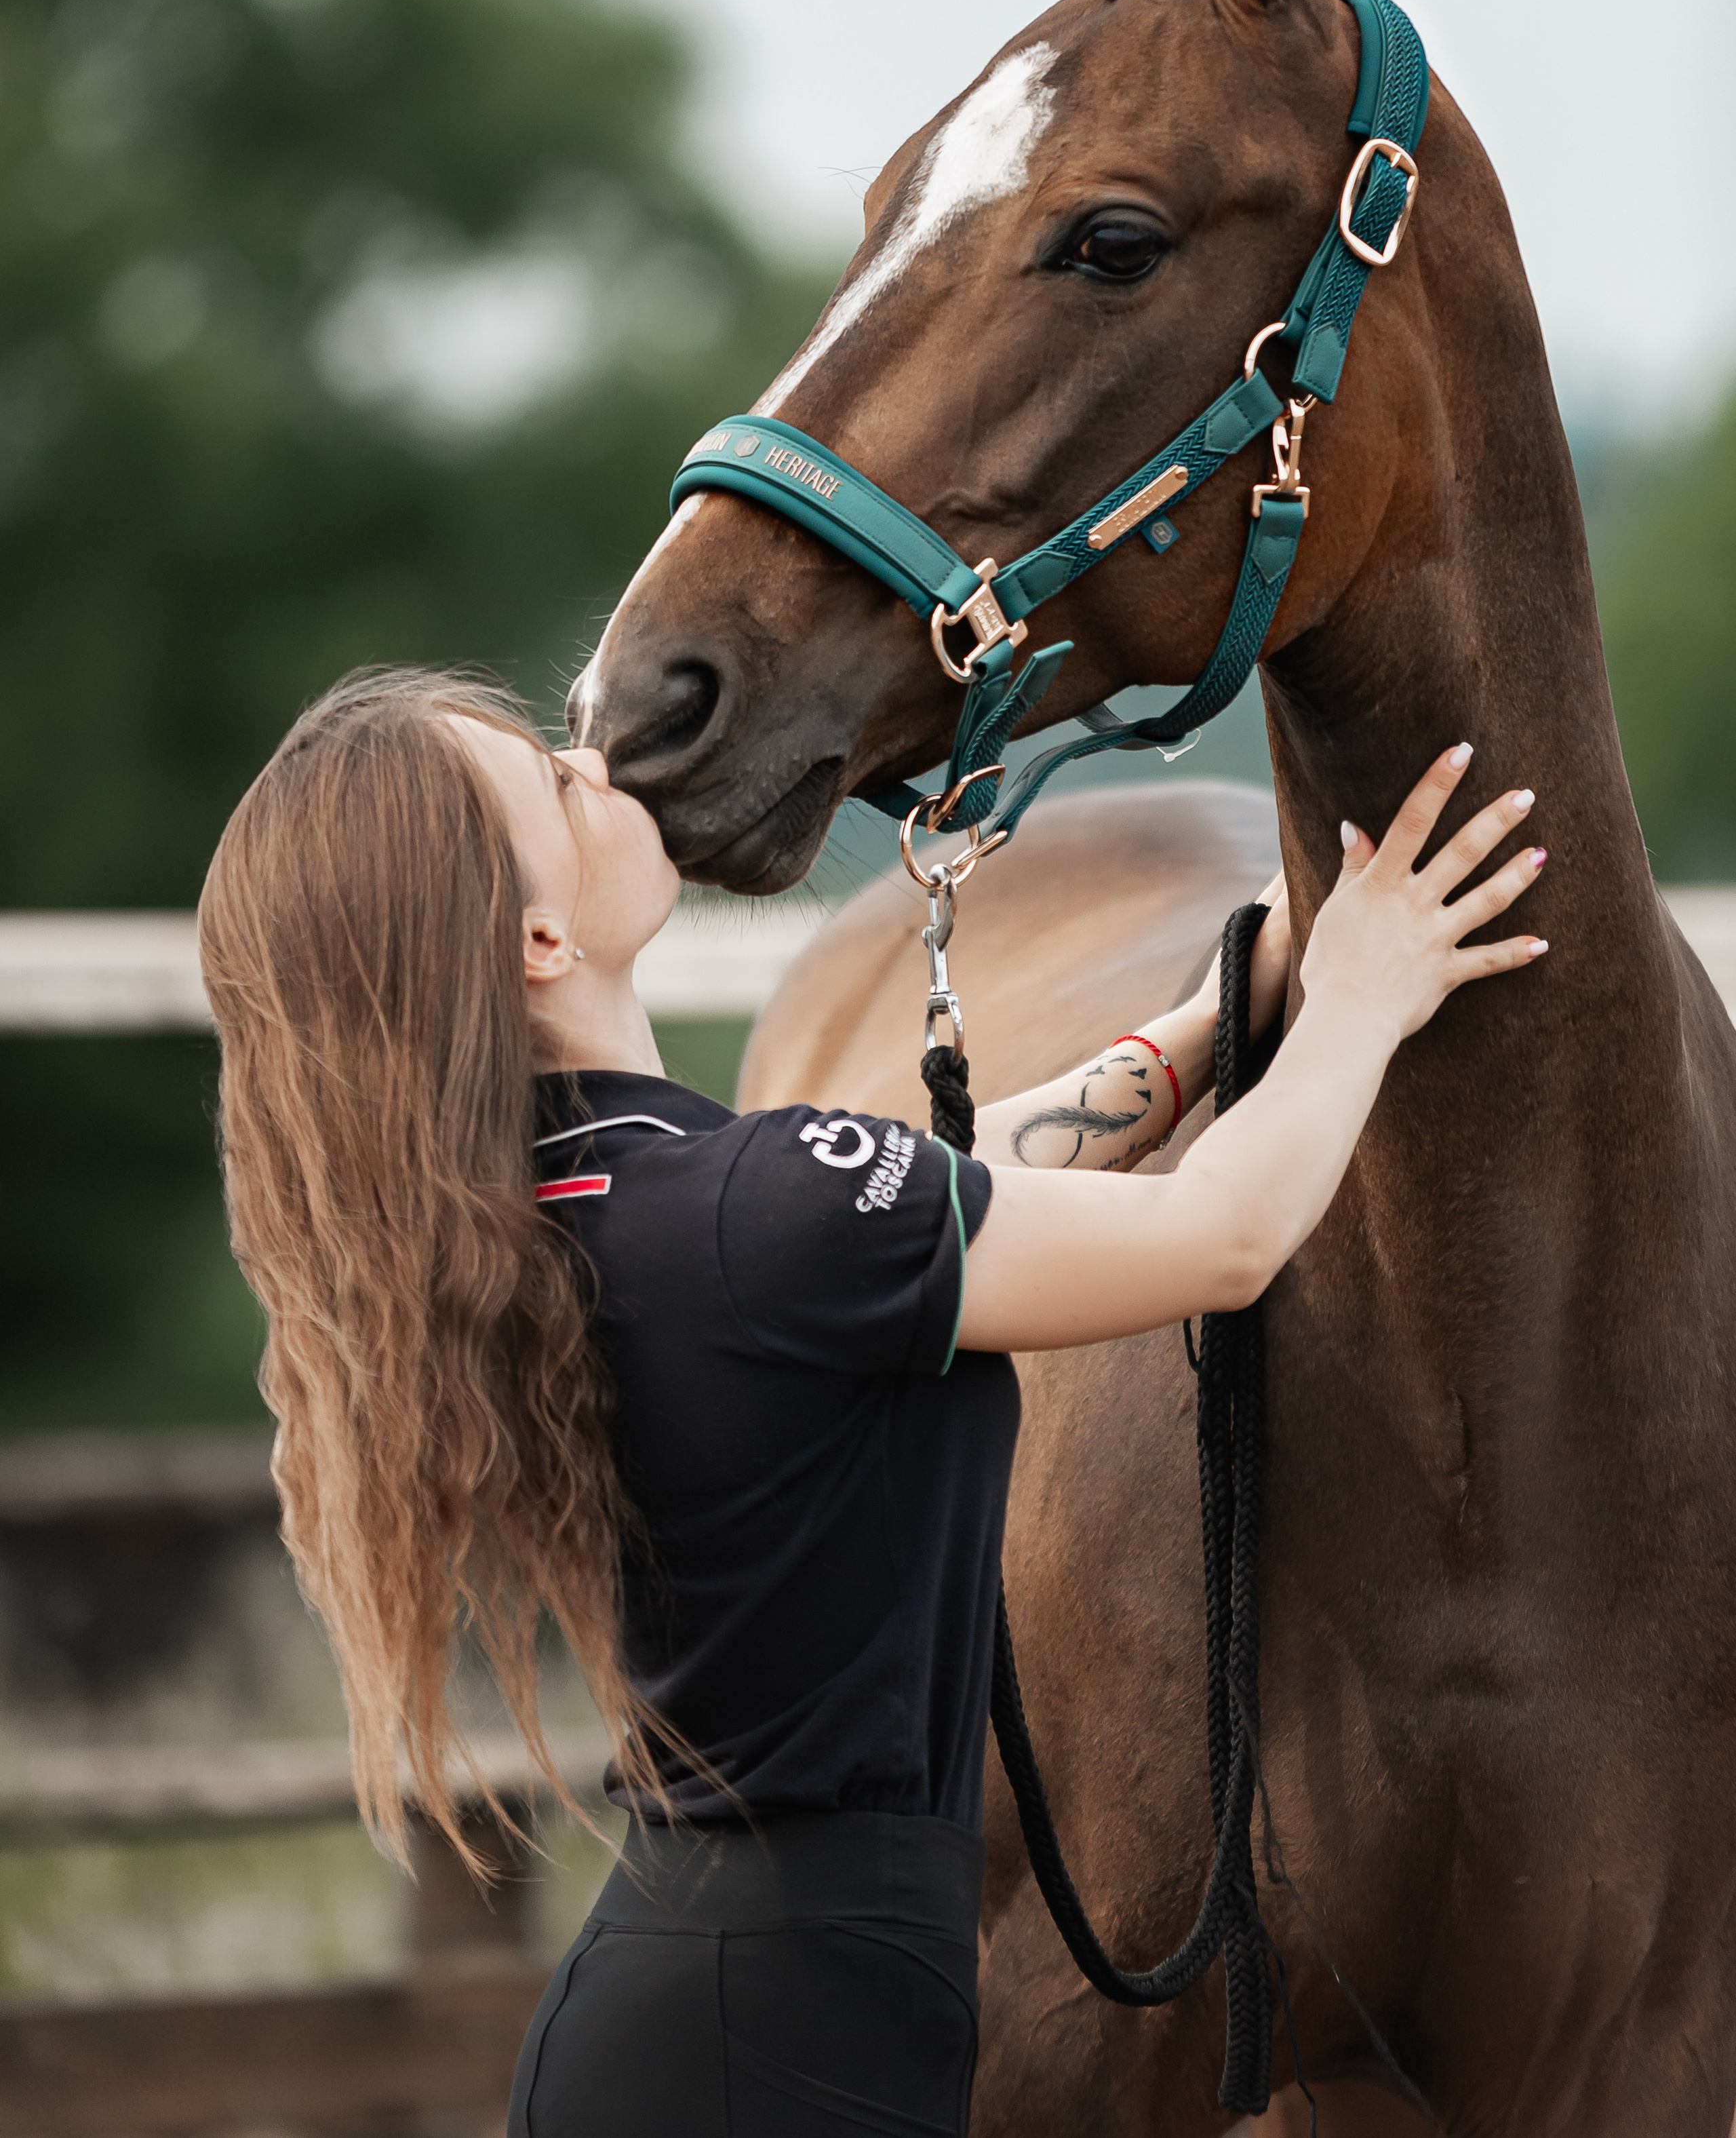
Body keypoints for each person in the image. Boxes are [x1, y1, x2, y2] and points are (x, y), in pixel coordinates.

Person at [197, 665, 1546, 2138]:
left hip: (714, 2006)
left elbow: (955, 1195)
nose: (599, 761)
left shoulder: (572, 1216)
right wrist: (1365, 995)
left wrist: (1232, 1001)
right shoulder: (753, 1212)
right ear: (537, 940)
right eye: (556, 783)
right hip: (786, 2037)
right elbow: (1220, 1236)